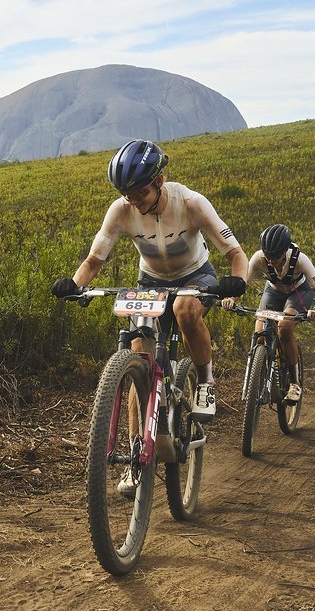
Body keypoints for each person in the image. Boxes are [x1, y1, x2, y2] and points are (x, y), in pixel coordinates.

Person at [51, 137, 248, 424]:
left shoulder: (191, 203)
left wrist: (237, 281)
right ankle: (136, 454)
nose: (134, 201)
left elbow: (236, 253)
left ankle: (205, 380)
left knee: (184, 309)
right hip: (151, 282)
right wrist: (74, 283)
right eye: (127, 194)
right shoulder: (121, 210)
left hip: (195, 274)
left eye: (140, 192)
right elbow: (94, 260)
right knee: (139, 359)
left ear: (160, 181)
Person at [224, 223, 315, 402]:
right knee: (260, 332)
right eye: (268, 256)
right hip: (273, 291)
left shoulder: (300, 260)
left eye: (275, 257)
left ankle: (295, 384)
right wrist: (232, 299)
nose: (270, 261)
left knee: (285, 328)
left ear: (285, 252)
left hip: (299, 292)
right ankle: (260, 374)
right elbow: (242, 284)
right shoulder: (259, 258)